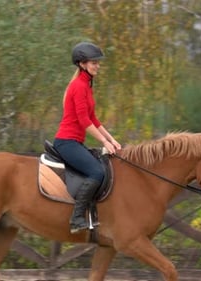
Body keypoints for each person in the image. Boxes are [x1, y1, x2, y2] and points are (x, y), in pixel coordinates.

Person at [53, 42, 121, 234]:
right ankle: (76, 219)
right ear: (82, 64)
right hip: (66, 142)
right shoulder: (78, 86)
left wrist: (112, 139)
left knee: (102, 166)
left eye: (97, 62)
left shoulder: (85, 85)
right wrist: (104, 142)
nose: (97, 65)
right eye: (93, 62)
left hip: (75, 142)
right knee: (97, 173)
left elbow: (93, 118)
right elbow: (84, 121)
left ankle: (92, 214)